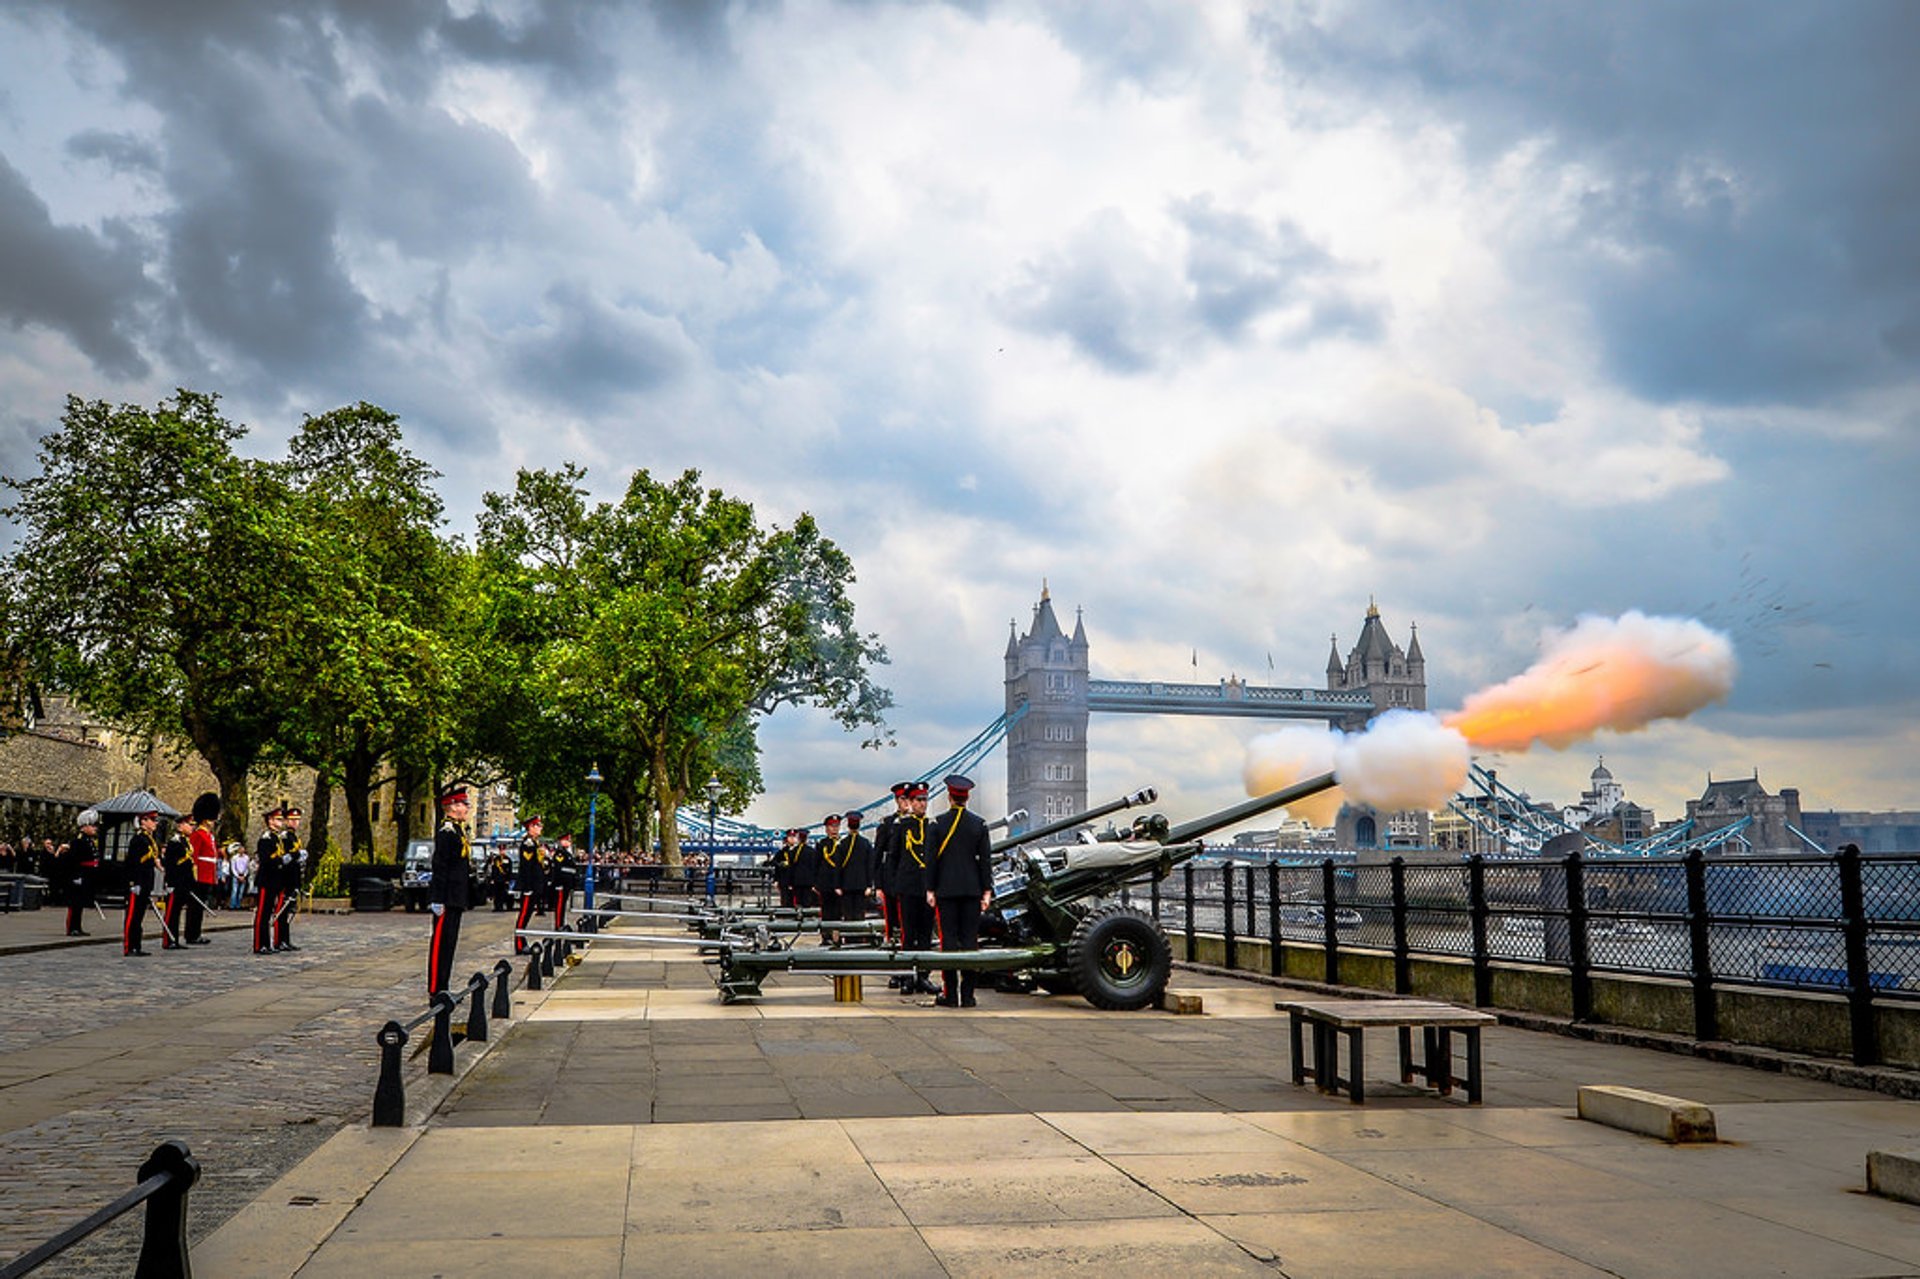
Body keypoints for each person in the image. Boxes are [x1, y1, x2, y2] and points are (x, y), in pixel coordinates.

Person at [927, 774, 993, 1008]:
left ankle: (950, 994)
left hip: (945, 891)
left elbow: (931, 860)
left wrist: (930, 889)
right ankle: (968, 995)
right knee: (970, 942)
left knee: (948, 944)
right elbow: (985, 861)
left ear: (949, 797)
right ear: (967, 797)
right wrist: (987, 890)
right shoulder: (979, 824)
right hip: (972, 891)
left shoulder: (937, 823)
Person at [428, 785, 474, 995]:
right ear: (453, 807)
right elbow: (440, 866)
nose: (467, 808)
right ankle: (436, 987)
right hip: (446, 897)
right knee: (441, 944)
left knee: (450, 943)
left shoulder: (457, 830)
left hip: (456, 897)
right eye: (464, 804)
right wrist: (437, 899)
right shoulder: (447, 832)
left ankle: (444, 985)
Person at [894, 783, 939, 994]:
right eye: (919, 800)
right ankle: (908, 976)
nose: (923, 804)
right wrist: (893, 886)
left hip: (927, 887)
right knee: (908, 935)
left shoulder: (932, 827)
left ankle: (923, 976)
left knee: (925, 935)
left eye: (925, 800)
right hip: (908, 886)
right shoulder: (902, 826)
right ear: (910, 803)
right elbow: (893, 858)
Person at [872, 783, 909, 982]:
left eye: (908, 799)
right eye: (902, 799)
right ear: (897, 801)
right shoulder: (887, 824)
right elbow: (877, 856)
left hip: (913, 883)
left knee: (912, 929)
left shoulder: (921, 823)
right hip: (892, 883)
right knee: (894, 928)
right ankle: (896, 971)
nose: (906, 803)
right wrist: (877, 885)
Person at [123, 806, 162, 956]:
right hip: (138, 882)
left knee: (139, 916)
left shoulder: (149, 839)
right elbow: (132, 863)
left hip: (146, 882)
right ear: (143, 821)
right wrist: (134, 882)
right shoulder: (138, 839)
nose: (155, 823)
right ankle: (129, 946)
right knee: (133, 916)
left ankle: (137, 945)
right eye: (152, 820)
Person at [184, 792, 220, 943]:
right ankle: (191, 935)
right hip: (199, 875)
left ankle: (196, 933)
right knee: (195, 907)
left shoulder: (209, 835)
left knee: (200, 906)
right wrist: (194, 876)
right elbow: (193, 856)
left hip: (208, 874)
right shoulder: (198, 834)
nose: (213, 822)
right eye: (211, 819)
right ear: (205, 820)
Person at [252, 807, 286, 955]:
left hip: (275, 880)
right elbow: (266, 860)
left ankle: (268, 943)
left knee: (269, 913)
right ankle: (260, 944)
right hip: (266, 880)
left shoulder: (276, 838)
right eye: (278, 819)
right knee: (263, 914)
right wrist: (281, 860)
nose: (281, 822)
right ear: (270, 821)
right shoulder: (266, 839)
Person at [161, 813, 195, 949]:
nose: (191, 827)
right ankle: (168, 940)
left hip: (183, 883)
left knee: (177, 912)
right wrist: (170, 883)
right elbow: (171, 866)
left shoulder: (184, 842)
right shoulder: (174, 843)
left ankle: (174, 938)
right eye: (189, 824)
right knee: (171, 913)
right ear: (180, 826)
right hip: (175, 883)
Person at [63, 814, 101, 937]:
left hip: (87, 875)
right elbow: (73, 861)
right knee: (75, 903)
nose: (94, 828)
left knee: (80, 903)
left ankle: (78, 927)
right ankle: (72, 927)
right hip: (79, 874)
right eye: (92, 826)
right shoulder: (78, 841)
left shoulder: (89, 841)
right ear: (84, 827)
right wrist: (76, 876)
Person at [513, 816, 546, 954]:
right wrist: (527, 888)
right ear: (531, 827)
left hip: (534, 885)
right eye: (537, 826)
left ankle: (522, 940)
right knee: (523, 915)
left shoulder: (535, 843)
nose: (540, 828)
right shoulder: (528, 844)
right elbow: (527, 868)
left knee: (527, 915)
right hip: (529, 886)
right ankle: (519, 944)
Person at [275, 805, 304, 951]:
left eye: (297, 820)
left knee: (288, 912)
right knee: (282, 911)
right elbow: (285, 858)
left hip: (293, 877)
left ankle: (286, 939)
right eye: (292, 820)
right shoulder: (285, 837)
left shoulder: (294, 837)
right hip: (285, 878)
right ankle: (280, 940)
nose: (295, 823)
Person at [549, 833, 578, 929]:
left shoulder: (568, 854)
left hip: (567, 884)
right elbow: (559, 870)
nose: (569, 842)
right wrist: (558, 883)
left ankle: (561, 923)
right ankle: (558, 925)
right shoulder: (560, 854)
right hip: (561, 884)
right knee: (560, 906)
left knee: (563, 906)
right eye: (567, 840)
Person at [228, 843, 250, 909]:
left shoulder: (246, 858)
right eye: (240, 849)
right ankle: (232, 905)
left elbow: (247, 867)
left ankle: (238, 905)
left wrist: (244, 875)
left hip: (243, 874)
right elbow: (233, 868)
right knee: (234, 891)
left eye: (243, 849)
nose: (241, 850)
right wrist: (237, 876)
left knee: (241, 892)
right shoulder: (234, 858)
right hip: (236, 875)